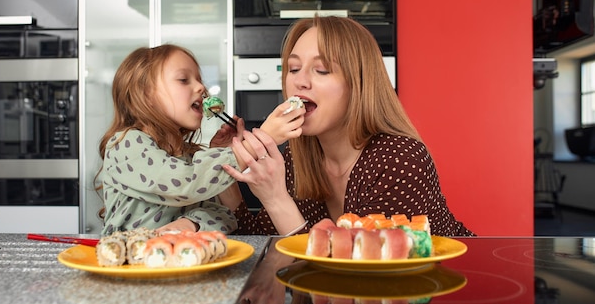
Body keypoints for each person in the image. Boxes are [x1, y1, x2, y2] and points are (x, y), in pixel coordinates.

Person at [224, 16, 475, 237]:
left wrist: (276, 198)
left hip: (451, 285)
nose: (299, 81)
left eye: (321, 70)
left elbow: (362, 276)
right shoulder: (294, 160)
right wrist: (226, 170)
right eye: (293, 68)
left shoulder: (399, 160)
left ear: (359, 84)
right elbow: (262, 244)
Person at [95, 44, 303, 235]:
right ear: (146, 94)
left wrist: (191, 223)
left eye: (199, 79)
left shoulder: (189, 155)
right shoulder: (126, 143)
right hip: (127, 267)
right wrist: (256, 142)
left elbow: (224, 216)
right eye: (184, 80)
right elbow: (185, 184)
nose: (201, 87)